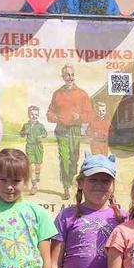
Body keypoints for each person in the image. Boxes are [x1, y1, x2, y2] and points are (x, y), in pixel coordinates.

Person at [50, 153, 124, 268]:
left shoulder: (122, 218)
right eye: (93, 180)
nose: (99, 185)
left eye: (105, 181)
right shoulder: (67, 216)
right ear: (81, 183)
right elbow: (53, 264)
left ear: (113, 185)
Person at [46, 64, 94, 196]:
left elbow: (89, 115)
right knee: (64, 158)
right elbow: (49, 113)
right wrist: (54, 117)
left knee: (74, 158)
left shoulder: (82, 94)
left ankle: (72, 179)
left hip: (75, 130)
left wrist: (80, 117)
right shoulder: (57, 94)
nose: (70, 77)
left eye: (72, 75)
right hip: (61, 130)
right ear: (63, 77)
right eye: (67, 75)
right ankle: (66, 186)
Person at [19, 105, 48, 194]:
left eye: (36, 114)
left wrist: (41, 136)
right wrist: (24, 132)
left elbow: (45, 134)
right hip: (30, 147)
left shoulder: (40, 126)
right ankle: (34, 185)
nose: (34, 116)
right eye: (32, 114)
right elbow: (21, 134)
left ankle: (38, 174)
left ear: (38, 115)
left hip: (38, 147)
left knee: (38, 165)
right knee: (31, 167)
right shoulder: (26, 125)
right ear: (28, 115)